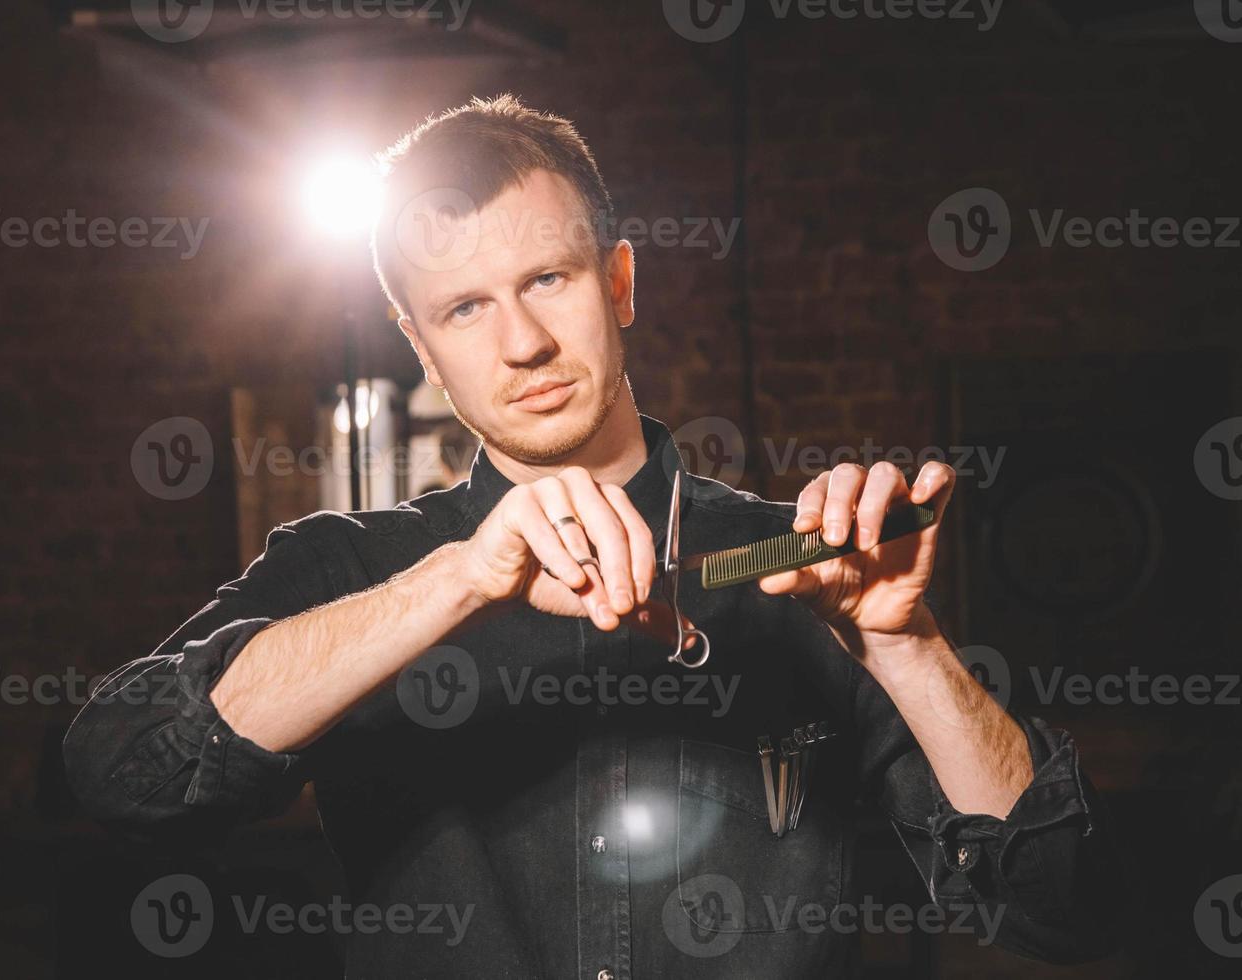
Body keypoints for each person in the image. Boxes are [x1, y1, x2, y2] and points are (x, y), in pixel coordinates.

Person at [65, 95, 1120, 978]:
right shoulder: (351, 572)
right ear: (421, 346)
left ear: (619, 284)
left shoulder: (812, 570)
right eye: (465, 308)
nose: (521, 342)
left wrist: (907, 644)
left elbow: (1054, 901)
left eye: (547, 282)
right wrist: (457, 581)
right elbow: (123, 778)